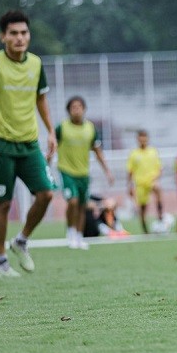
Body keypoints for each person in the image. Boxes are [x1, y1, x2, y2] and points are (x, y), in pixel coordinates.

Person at [0, 10, 56, 278]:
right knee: (4, 204)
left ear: (29, 35)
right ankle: (0, 262)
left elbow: (41, 99)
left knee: (46, 194)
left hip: (29, 144)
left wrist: (51, 132)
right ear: (3, 37)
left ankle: (21, 240)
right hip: (1, 145)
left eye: (24, 33)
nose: (19, 38)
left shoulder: (36, 64)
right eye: (13, 33)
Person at [56, 95, 115, 249]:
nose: (76, 110)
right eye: (73, 107)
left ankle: (79, 236)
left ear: (84, 109)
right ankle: (70, 231)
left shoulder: (90, 128)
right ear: (68, 110)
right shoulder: (62, 128)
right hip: (67, 171)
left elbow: (97, 151)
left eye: (79, 107)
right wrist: (46, 164)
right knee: (73, 202)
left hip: (83, 173)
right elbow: (52, 146)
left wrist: (107, 171)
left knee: (82, 205)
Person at [126, 129, 163, 233]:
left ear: (147, 139)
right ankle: (145, 231)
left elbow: (159, 168)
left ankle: (161, 217)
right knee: (142, 208)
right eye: (141, 138)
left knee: (158, 189)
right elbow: (130, 171)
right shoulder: (133, 154)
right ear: (138, 139)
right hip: (140, 184)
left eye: (144, 137)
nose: (143, 140)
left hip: (152, 180)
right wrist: (129, 186)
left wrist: (157, 177)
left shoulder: (153, 151)